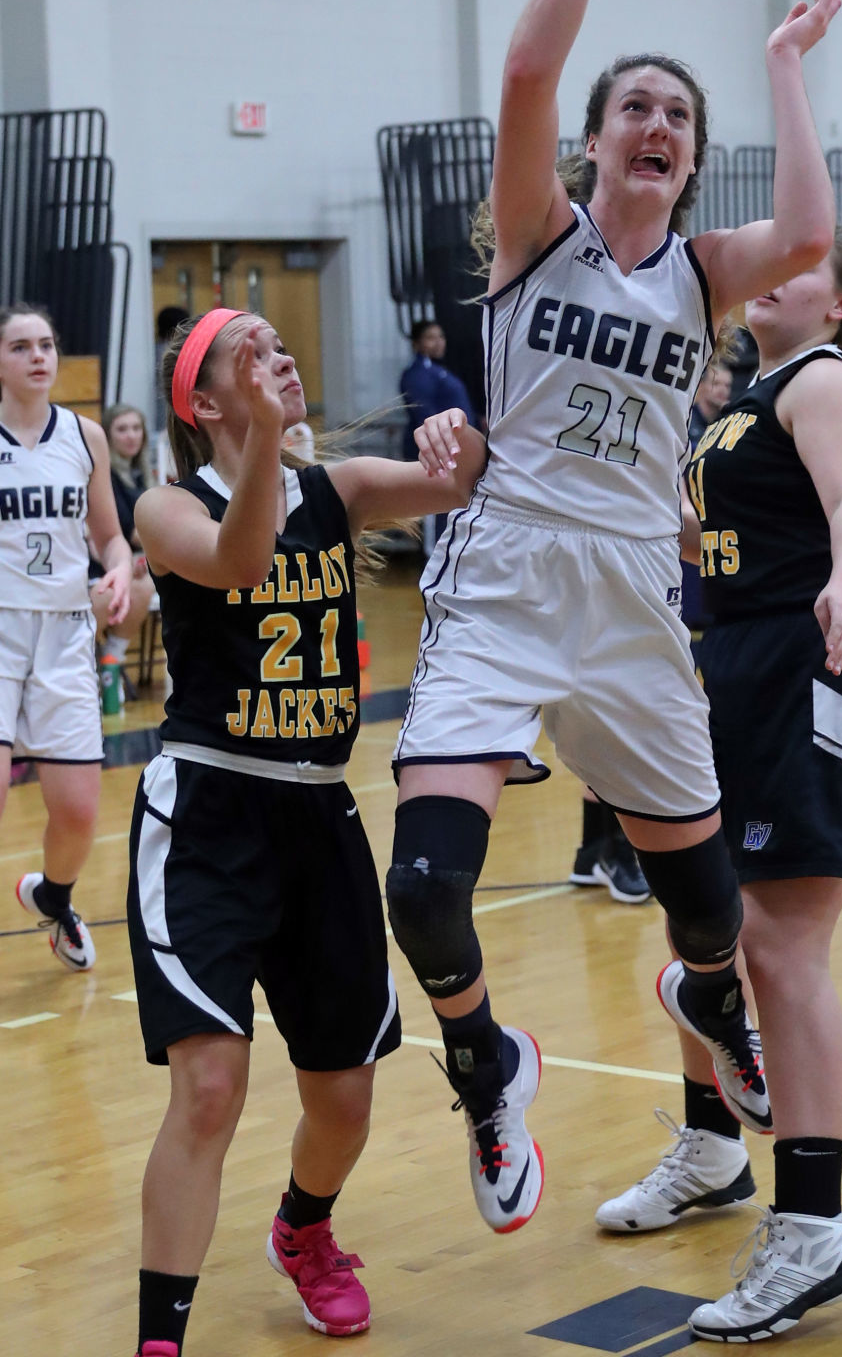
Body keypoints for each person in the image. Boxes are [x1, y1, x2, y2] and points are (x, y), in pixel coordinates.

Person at [390, 0, 839, 1236]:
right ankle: (484, 1062)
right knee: (424, 887)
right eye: (633, 108)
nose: (653, 123)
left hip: (638, 593)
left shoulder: (703, 273)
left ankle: (700, 1000)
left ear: (688, 160)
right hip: (509, 574)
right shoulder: (539, 238)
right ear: (592, 143)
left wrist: (779, 64)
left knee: (707, 919)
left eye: (674, 117)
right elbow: (527, 67)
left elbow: (813, 236)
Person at [127, 307, 485, 1357]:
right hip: (209, 812)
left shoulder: (343, 490)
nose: (277, 356)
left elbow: (466, 479)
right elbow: (240, 564)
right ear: (201, 403)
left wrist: (452, 439)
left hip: (321, 813)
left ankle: (304, 1227)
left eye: (283, 344)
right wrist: (267, 457)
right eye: (249, 352)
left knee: (344, 1095)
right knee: (210, 1085)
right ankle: (160, 1340)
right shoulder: (166, 505)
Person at [597, 228, 842, 1343]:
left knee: (777, 948)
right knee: (703, 931)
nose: (777, 261)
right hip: (732, 665)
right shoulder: (745, 394)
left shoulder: (824, 377)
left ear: (838, 303)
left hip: (811, 666)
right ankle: (715, 1148)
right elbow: (714, 534)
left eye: (806, 257)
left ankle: (815, 1225)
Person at [0, 303, 132, 970]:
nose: (38, 357)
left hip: (67, 631)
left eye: (46, 344)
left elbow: (108, 535)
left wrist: (116, 574)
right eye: (21, 346)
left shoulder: (85, 438)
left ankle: (54, 898)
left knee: (79, 814)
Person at [91, 405, 157, 693]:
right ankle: (93, 667)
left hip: (130, 566)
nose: (131, 436)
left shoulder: (142, 475)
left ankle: (111, 660)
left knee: (143, 586)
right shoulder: (103, 477)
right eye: (122, 429)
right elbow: (134, 534)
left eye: (136, 428)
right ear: (107, 435)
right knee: (134, 588)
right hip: (95, 574)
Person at [400, 319, 474, 459]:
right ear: (416, 344)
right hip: (436, 452)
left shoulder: (439, 370)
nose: (438, 342)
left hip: (453, 446)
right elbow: (424, 414)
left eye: (440, 336)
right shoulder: (418, 374)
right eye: (430, 338)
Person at [689, 359, 733, 448]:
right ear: (701, 385)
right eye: (716, 384)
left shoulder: (727, 419)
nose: (722, 390)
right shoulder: (688, 418)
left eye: (727, 385)